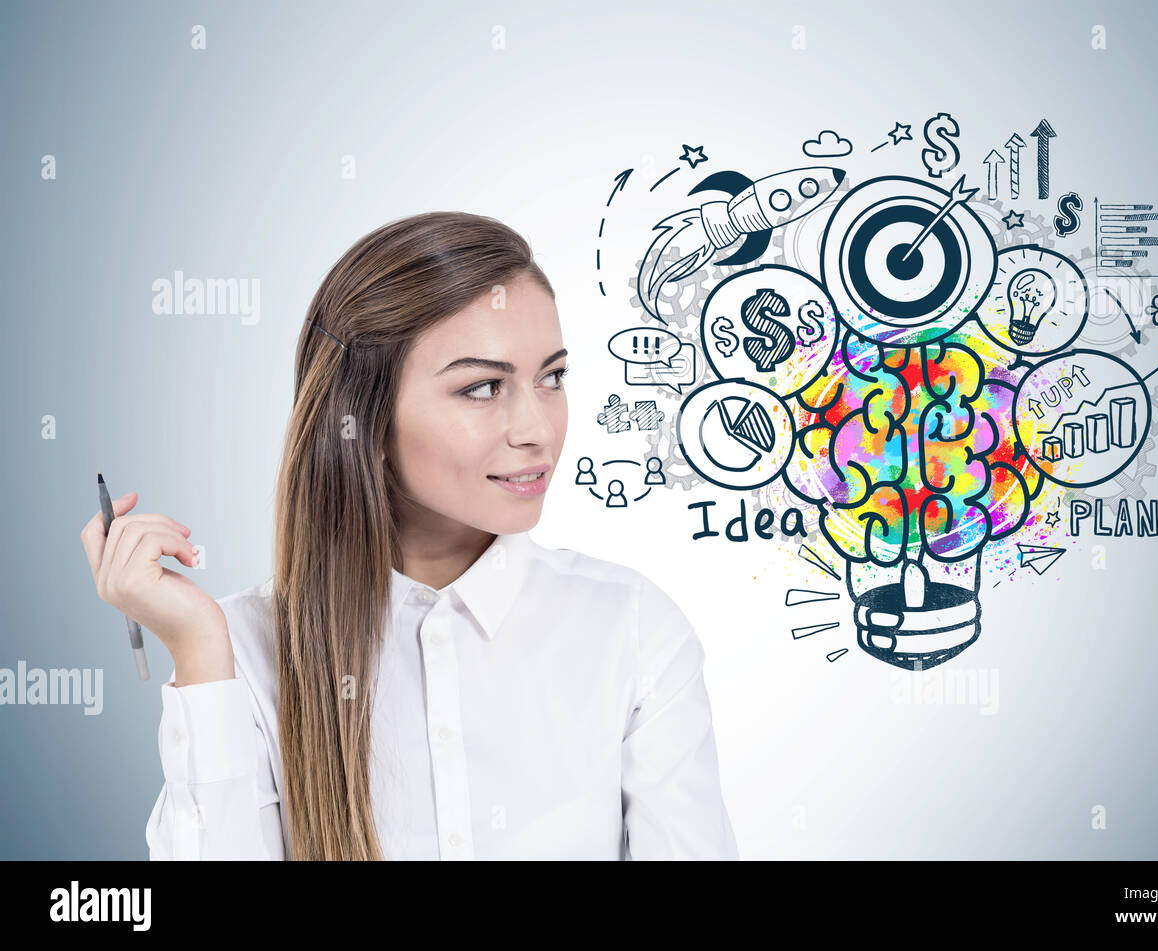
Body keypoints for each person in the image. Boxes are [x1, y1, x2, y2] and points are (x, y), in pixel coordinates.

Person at [79, 211, 738, 860]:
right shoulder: (243, 652)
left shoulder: (633, 630)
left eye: (552, 377)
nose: (537, 427)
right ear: (361, 418)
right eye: (483, 387)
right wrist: (197, 649)